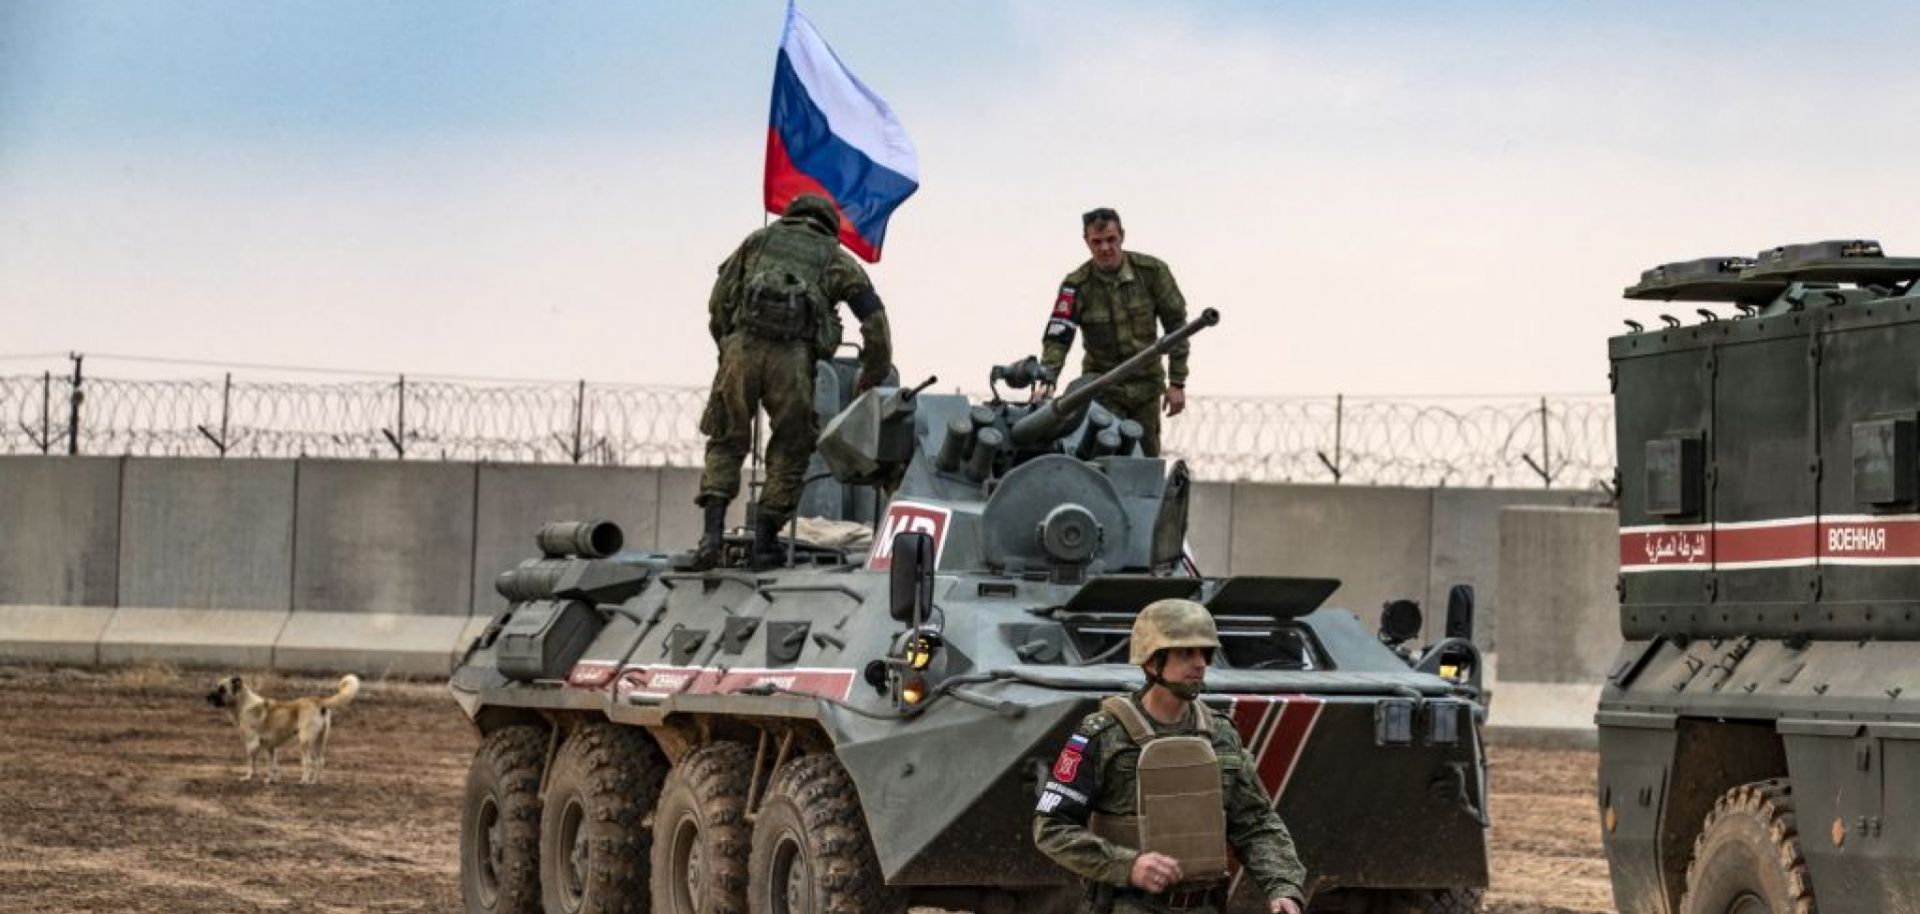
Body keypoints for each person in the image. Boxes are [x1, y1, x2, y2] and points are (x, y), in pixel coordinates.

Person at [1033, 599, 1307, 914]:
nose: (1200, 663)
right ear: (1152, 662)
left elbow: (1255, 822)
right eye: (1185, 652)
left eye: (1205, 652)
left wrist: (1283, 886)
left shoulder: (1219, 734)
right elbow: (1051, 827)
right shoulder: (1102, 734)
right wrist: (1127, 865)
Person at [689, 194, 892, 570]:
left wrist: (727, 347)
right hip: (793, 360)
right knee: (792, 446)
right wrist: (874, 373)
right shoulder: (835, 257)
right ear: (828, 224)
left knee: (726, 438)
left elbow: (718, 301)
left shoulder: (757, 241)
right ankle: (766, 543)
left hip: (741, 349)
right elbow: (875, 319)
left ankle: (711, 538)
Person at [1036, 207, 1192, 457]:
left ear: (1122, 236)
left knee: (1144, 466)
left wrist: (1177, 382)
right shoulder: (1076, 284)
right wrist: (1047, 378)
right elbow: (1059, 337)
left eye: (1111, 239)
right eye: (1097, 242)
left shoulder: (1151, 273)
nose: (1105, 248)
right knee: (1099, 460)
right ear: (1087, 242)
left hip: (1146, 389)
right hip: (1101, 391)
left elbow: (1177, 328)